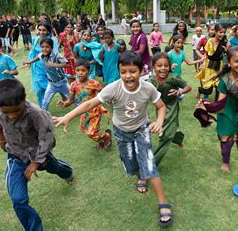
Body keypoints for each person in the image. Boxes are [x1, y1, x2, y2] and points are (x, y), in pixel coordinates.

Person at [53, 52, 174, 227]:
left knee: (149, 165)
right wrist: (67, 116)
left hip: (141, 130)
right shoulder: (113, 88)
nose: (128, 76)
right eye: (123, 71)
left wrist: (159, 121)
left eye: (132, 71)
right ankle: (141, 176)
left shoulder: (148, 88)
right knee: (131, 165)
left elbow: (161, 107)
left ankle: (163, 203)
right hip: (121, 133)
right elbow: (89, 104)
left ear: (141, 71)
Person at [0, 79, 73, 231]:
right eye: (6, 112)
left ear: (24, 98)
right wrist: (1, 137)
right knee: (18, 199)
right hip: (15, 155)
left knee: (57, 168)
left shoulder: (37, 114)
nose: (12, 116)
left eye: (16, 110)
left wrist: (35, 163)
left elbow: (47, 139)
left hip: (40, 154)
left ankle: (68, 174)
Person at [58, 59, 112, 149]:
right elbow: (71, 100)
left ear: (88, 71)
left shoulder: (94, 83)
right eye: (78, 70)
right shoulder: (73, 85)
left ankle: (106, 136)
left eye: (83, 70)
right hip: (84, 112)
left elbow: (103, 93)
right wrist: (65, 104)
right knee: (87, 130)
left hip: (95, 111)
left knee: (91, 133)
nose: (80, 73)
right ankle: (101, 140)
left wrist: (109, 100)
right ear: (75, 71)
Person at [149, 53, 191, 165]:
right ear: (153, 67)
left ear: (169, 66)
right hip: (160, 108)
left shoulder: (173, 78)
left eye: (166, 65)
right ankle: (179, 139)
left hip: (172, 108)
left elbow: (188, 87)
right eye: (159, 65)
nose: (163, 68)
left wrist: (180, 91)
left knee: (166, 136)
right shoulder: (151, 80)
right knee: (168, 129)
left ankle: (152, 164)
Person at [23, 38, 70, 110]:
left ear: (51, 48)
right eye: (42, 47)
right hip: (51, 84)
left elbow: (67, 65)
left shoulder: (57, 55)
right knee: (45, 102)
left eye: (47, 47)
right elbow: (38, 57)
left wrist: (54, 65)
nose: (44, 49)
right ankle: (45, 117)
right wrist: (29, 62)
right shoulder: (41, 55)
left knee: (74, 99)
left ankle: (84, 111)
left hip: (62, 82)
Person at [28, 21, 58, 106]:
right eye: (39, 30)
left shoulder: (52, 41)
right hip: (37, 67)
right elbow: (33, 52)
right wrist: (30, 62)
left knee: (47, 88)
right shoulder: (35, 39)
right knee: (39, 90)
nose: (41, 32)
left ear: (48, 31)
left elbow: (54, 53)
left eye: (44, 30)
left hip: (49, 68)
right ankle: (43, 108)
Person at [195, 24, 228, 97]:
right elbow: (206, 54)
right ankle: (200, 90)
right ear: (215, 32)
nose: (222, 34)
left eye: (224, 32)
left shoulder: (225, 42)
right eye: (220, 32)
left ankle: (217, 105)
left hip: (219, 66)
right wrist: (203, 63)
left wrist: (226, 51)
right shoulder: (210, 41)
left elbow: (229, 54)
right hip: (209, 66)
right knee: (207, 90)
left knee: (218, 87)